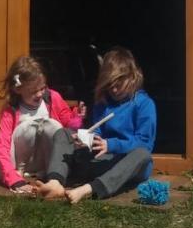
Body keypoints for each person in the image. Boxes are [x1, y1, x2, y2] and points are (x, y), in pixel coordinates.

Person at [48, 46, 156, 204]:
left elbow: (145, 143)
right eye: (109, 84)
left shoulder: (144, 104)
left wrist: (112, 145)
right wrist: (87, 139)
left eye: (119, 83)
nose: (114, 89)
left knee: (143, 155)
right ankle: (54, 182)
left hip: (125, 164)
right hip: (102, 159)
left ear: (132, 76)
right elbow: (98, 132)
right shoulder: (103, 101)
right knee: (63, 133)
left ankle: (90, 189)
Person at [0, 56, 85, 195]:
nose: (40, 94)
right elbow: (3, 145)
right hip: (20, 160)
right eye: (33, 91)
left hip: (44, 159)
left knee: (51, 125)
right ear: (18, 89)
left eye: (43, 88)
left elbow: (67, 124)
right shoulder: (11, 109)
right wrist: (13, 179)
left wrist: (77, 118)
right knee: (30, 127)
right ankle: (18, 173)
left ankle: (51, 172)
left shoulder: (52, 97)